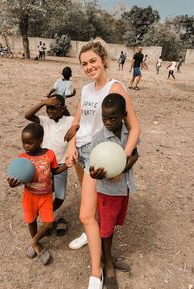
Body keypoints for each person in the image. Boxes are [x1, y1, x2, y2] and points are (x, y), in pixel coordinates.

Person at [65, 40, 140, 289]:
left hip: (100, 157)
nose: (88, 67)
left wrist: (120, 161)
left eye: (93, 61)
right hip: (81, 152)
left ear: (104, 60)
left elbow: (134, 128)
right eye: (84, 63)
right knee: (92, 207)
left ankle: (96, 273)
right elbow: (78, 121)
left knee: (86, 214)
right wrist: (71, 145)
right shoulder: (86, 90)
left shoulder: (115, 87)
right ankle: (91, 235)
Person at [89, 93, 139, 289]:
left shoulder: (130, 132)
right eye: (104, 117)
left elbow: (135, 154)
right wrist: (96, 174)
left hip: (123, 188)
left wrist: (123, 168)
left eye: (113, 118)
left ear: (123, 115)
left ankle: (107, 254)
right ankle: (107, 263)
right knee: (106, 230)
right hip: (107, 192)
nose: (108, 122)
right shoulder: (98, 139)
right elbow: (92, 170)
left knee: (112, 226)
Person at [7, 123, 71, 264]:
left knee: (48, 223)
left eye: (30, 143)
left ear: (40, 140)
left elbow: (54, 171)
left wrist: (66, 165)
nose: (26, 146)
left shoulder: (49, 154)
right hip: (29, 196)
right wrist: (12, 185)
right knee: (31, 221)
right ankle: (37, 245)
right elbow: (19, 178)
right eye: (24, 142)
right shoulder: (22, 158)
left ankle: (33, 241)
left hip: (45, 196)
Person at [24, 95, 74, 235]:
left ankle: (47, 213)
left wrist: (74, 128)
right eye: (47, 108)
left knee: (60, 197)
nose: (49, 111)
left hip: (61, 166)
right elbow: (28, 115)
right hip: (44, 166)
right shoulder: (45, 121)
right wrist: (44, 102)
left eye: (53, 107)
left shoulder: (69, 121)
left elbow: (80, 123)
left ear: (63, 109)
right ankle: (46, 218)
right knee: (43, 193)